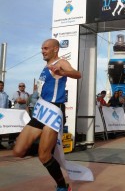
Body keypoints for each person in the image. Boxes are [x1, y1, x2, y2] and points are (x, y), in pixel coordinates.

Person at [13, 38, 81, 191]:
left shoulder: (61, 63)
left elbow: (77, 74)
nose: (42, 51)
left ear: (55, 49)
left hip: (54, 111)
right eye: (42, 48)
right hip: (41, 112)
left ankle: (63, 186)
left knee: (44, 156)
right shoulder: (45, 67)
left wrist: (63, 72)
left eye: (45, 48)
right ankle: (45, 151)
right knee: (18, 151)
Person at [0, 80, 9, 150]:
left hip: (3, 114)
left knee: (2, 129)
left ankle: (0, 144)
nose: (1, 86)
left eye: (2, 85)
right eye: (0, 85)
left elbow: (6, 104)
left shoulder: (5, 94)